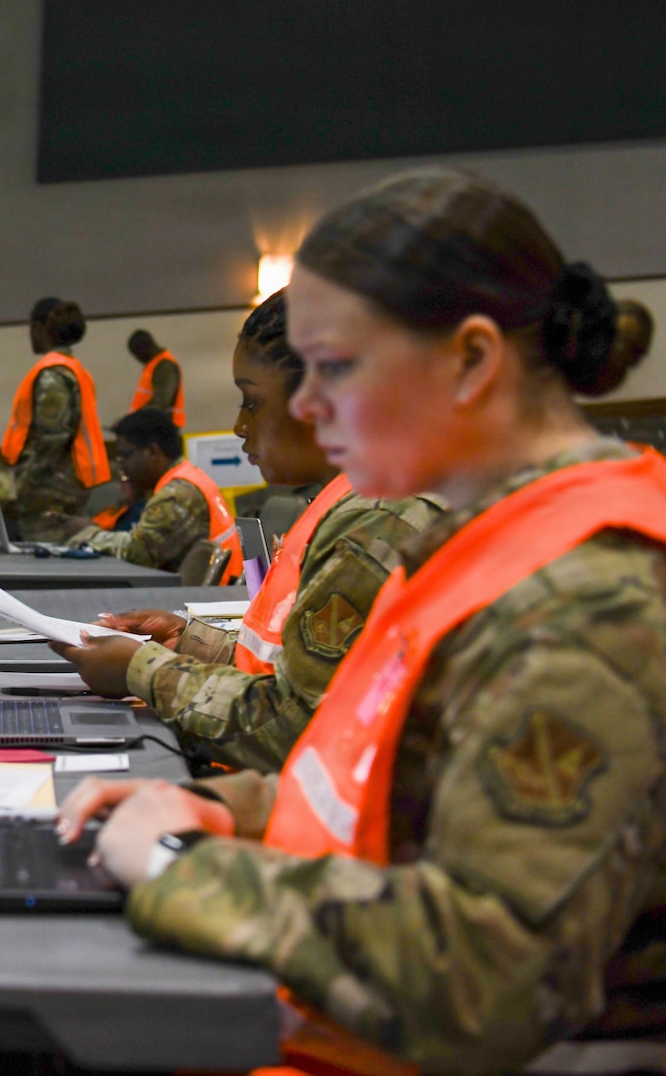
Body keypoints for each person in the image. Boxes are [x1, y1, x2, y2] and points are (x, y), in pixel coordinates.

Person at [0, 168, 666, 1076]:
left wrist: (176, 871)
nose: (302, 405)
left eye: (335, 368)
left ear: (470, 360)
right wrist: (223, 807)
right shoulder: (496, 543)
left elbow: (480, 976)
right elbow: (375, 776)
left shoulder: (599, 608)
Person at [61, 293, 444, 773]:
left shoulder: (377, 519)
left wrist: (142, 672)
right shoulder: (354, 498)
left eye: (253, 401)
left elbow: (295, 728)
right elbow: (292, 667)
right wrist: (186, 640)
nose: (241, 425)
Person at [51, 408, 243, 579]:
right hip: (215, 590)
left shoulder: (177, 494)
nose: (121, 464)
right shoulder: (186, 477)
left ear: (152, 452)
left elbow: (139, 552)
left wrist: (86, 534)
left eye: (125, 455)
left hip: (215, 598)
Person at [0, 297, 111, 539]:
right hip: (68, 485)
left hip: (48, 492)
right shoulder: (75, 369)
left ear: (40, 327)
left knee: (45, 555)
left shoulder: (52, 375)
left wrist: (21, 487)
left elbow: (52, 441)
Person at [126, 328, 185, 427]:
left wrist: (135, 419)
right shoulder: (153, 365)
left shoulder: (164, 365)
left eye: (137, 355)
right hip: (151, 426)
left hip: (161, 428)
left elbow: (161, 400)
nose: (137, 359)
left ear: (145, 348)